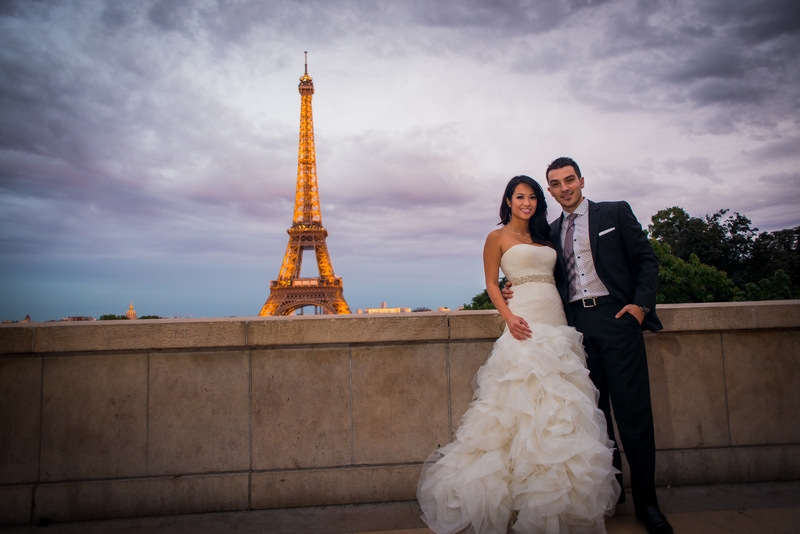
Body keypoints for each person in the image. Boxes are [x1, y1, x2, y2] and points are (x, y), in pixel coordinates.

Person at [417, 175, 620, 534]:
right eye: (519, 197)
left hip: (556, 320)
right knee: (520, 407)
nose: (526, 203)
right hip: (523, 321)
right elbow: (492, 284)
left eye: (532, 197)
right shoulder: (496, 237)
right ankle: (519, 501)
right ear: (508, 201)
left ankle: (558, 501)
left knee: (559, 407)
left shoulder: (546, 236)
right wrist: (508, 317)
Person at [502, 157, 673, 534]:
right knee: (593, 418)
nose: (564, 188)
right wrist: (508, 288)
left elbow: (646, 260)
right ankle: (613, 494)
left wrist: (640, 307)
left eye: (569, 180)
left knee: (633, 416)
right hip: (575, 326)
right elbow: (536, 273)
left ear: (581, 180)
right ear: (550, 190)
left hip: (617, 320)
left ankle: (648, 504)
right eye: (556, 183)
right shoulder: (547, 233)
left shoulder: (614, 212)